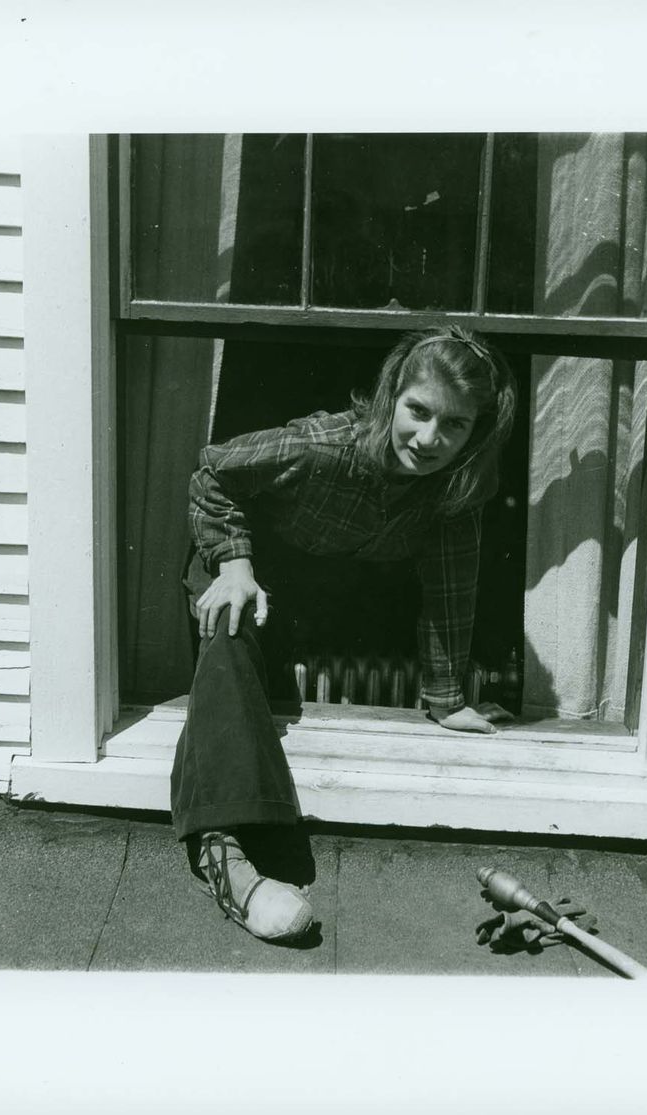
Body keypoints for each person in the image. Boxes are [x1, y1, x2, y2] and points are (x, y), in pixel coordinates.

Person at [170, 326, 518, 943]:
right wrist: (234, 562)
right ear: (392, 397)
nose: (430, 439)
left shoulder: (452, 489)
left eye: (455, 425)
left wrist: (446, 699)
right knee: (227, 635)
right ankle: (223, 855)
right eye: (418, 411)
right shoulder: (322, 446)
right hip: (244, 572)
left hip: (318, 598)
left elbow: (449, 585)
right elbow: (211, 472)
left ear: (477, 432)